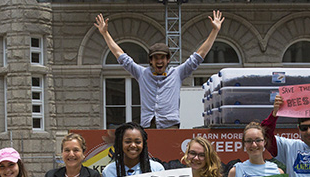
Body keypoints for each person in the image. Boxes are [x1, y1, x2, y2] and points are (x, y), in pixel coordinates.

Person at [94, 10, 224, 129]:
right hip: (147, 126)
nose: (159, 61)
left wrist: (214, 31)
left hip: (170, 125)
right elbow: (121, 56)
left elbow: (198, 56)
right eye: (156, 58)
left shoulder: (176, 73)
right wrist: (105, 34)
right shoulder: (142, 74)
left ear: (168, 60)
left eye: (163, 58)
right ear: (150, 61)